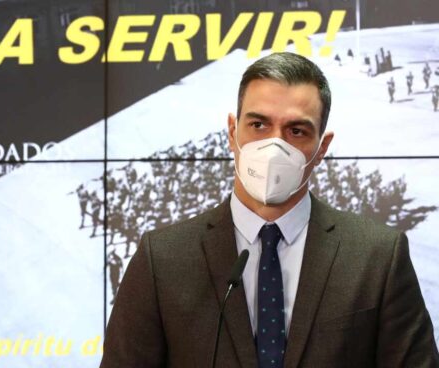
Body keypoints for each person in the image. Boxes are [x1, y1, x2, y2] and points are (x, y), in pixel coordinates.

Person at [100, 52, 438, 368]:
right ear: (233, 133)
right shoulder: (161, 259)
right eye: (258, 125)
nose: (274, 147)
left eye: (296, 130)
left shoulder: (377, 257)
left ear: (322, 148)